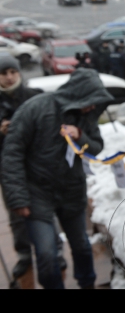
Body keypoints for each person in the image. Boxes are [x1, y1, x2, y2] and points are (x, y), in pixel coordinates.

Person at [1, 69, 114, 290]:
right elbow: (12, 153)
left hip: (71, 190)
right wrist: (18, 198)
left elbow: (96, 147)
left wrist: (81, 136)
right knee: (45, 252)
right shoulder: (35, 108)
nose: (92, 107)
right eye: (89, 101)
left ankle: (87, 282)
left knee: (81, 245)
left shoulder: (86, 116)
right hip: (37, 192)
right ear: (78, 95)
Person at [0, 55, 43, 286]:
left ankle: (52, 250)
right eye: (3, 73)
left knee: (45, 207)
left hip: (36, 165)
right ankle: (24, 255)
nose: (8, 77)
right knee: (17, 213)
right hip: (7, 170)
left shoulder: (33, 96)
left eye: (12, 72)